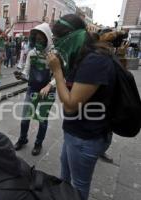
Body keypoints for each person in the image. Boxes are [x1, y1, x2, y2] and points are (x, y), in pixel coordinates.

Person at [47, 14, 115, 200]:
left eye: (59, 38)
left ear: (72, 36)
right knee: (65, 179)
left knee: (78, 187)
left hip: (86, 137)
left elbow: (69, 106)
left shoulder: (95, 60)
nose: (56, 43)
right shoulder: (81, 56)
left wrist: (57, 71)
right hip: (74, 132)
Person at [14, 23, 56, 156]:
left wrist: (49, 86)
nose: (38, 42)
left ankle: (38, 143)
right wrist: (22, 76)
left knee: (42, 120)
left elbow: (59, 76)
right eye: (36, 39)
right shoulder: (32, 53)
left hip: (47, 92)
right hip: (32, 89)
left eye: (41, 39)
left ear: (47, 38)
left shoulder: (54, 54)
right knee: (25, 118)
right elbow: (26, 71)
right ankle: (22, 139)